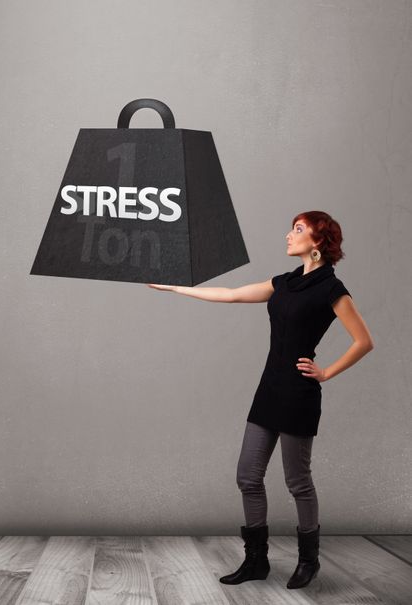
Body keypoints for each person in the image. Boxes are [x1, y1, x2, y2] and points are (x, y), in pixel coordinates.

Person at [147, 211, 374, 590]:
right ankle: (256, 561)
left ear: (317, 242)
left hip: (300, 395)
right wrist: (177, 288)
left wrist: (327, 372)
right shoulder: (283, 283)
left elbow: (364, 341)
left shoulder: (333, 290)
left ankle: (309, 561)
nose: (289, 235)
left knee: (297, 481)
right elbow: (231, 295)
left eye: (298, 230)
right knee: (247, 476)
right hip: (269, 389)